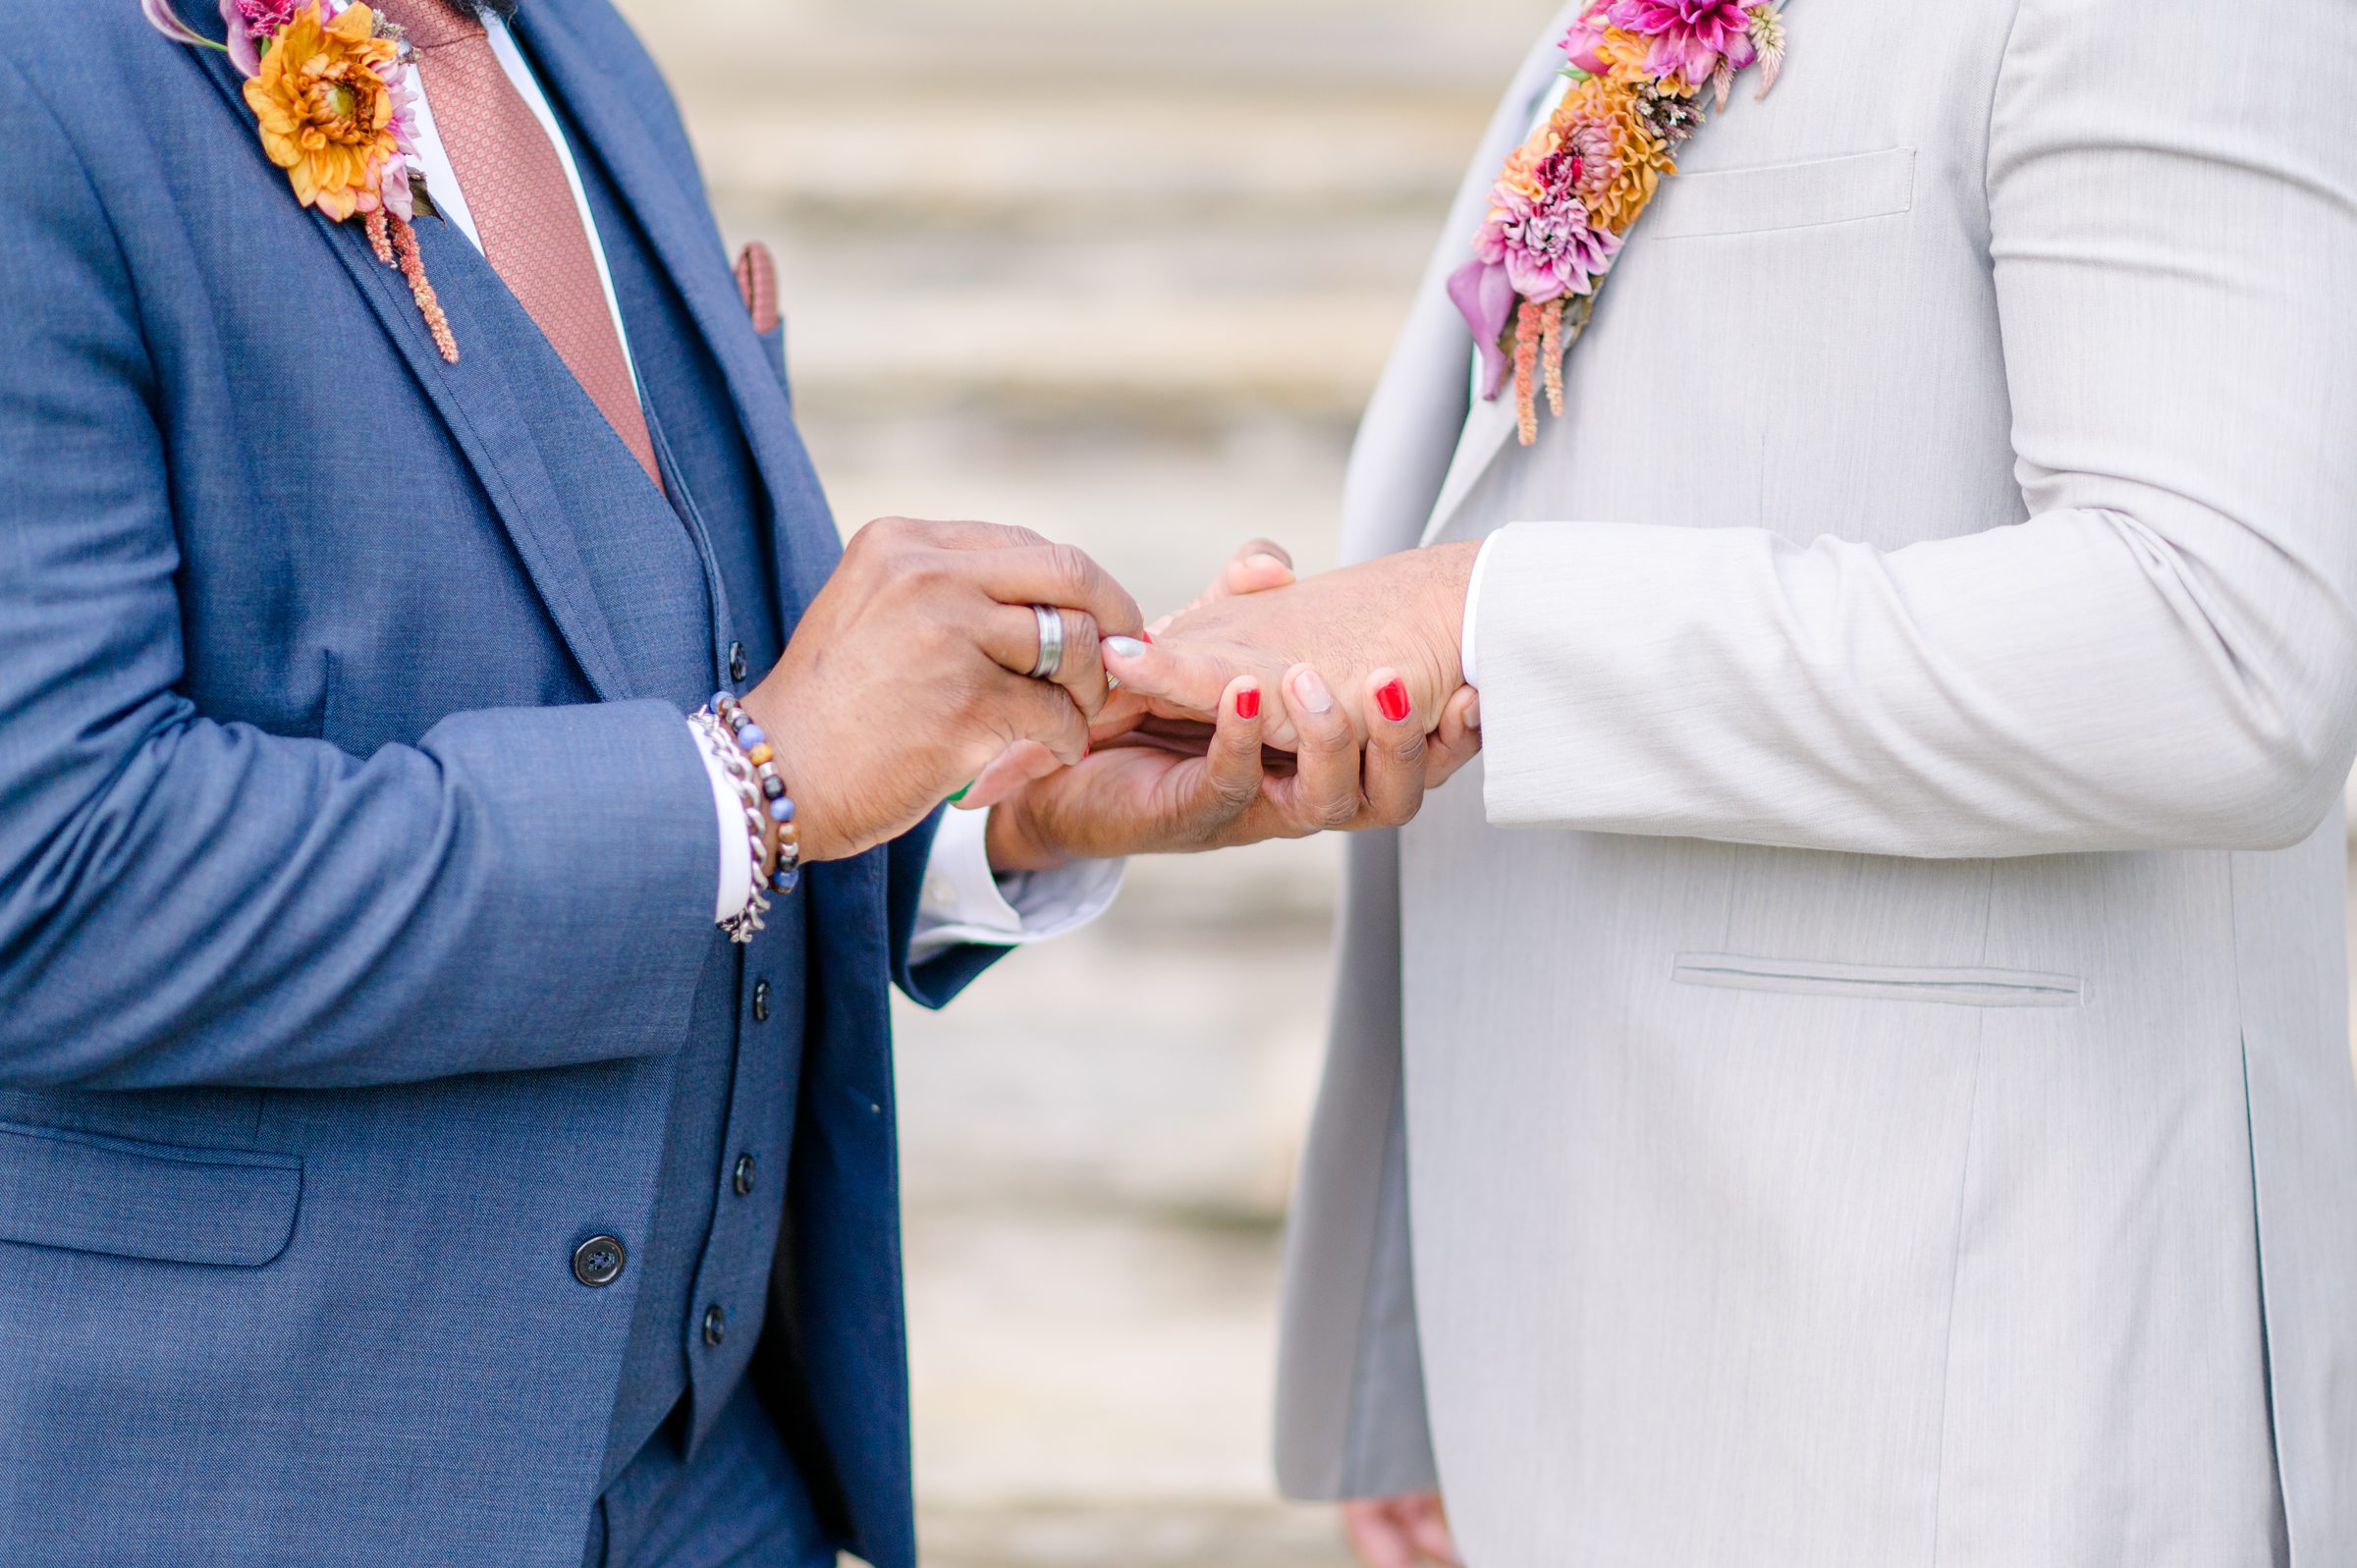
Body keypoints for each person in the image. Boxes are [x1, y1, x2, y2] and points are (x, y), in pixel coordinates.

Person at [0, 1, 1472, 1563]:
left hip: (722, 1491)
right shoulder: (43, 82)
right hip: (270, 1478)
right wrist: (751, 784)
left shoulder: (581, 56)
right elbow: (58, 866)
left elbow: (677, 675)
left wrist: (1010, 805)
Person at [1098, 0, 2357, 1560]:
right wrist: (1430, 1357)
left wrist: (1482, 615)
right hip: (1618, 1354)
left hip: (1958, 1413)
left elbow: (2220, 646)